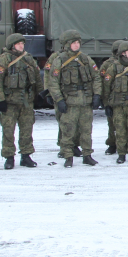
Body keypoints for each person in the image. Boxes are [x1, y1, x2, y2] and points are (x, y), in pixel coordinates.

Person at [46, 29, 103, 167]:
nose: (77, 45)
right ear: (67, 44)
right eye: (74, 43)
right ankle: (68, 156)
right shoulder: (59, 60)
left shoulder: (86, 59)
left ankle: (87, 155)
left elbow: (96, 77)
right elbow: (52, 82)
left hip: (85, 102)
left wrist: (97, 95)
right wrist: (58, 99)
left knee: (86, 131)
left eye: (78, 42)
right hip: (69, 102)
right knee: (68, 130)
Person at [0, 33, 43, 169]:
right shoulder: (3, 60)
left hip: (26, 101)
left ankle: (26, 156)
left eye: (22, 44)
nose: (21, 46)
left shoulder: (28, 59)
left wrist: (39, 93)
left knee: (27, 129)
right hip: (10, 102)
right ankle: (9, 157)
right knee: (8, 130)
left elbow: (37, 77)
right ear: (12, 45)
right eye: (18, 44)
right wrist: (0, 100)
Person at [103, 40, 124, 155]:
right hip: (112, 99)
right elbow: (103, 83)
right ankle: (112, 144)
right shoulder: (108, 64)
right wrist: (105, 102)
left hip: (126, 99)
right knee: (112, 124)